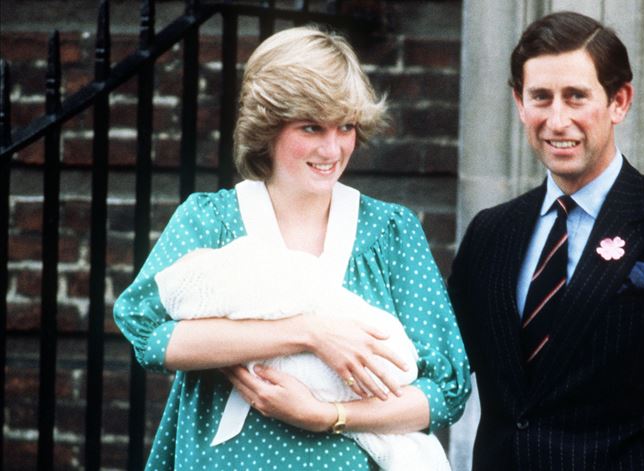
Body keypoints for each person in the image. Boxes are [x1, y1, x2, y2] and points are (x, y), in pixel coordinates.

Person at [114, 26, 470, 470]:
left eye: (346, 126)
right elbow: (149, 335)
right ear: (268, 126)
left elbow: (445, 391)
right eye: (311, 127)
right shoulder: (212, 221)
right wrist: (311, 333)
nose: (332, 148)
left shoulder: (390, 232)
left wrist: (325, 416)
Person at [447, 11, 644, 470]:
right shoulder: (490, 233)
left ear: (620, 101)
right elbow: (441, 367)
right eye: (541, 97)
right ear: (519, 103)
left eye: (576, 97)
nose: (557, 120)